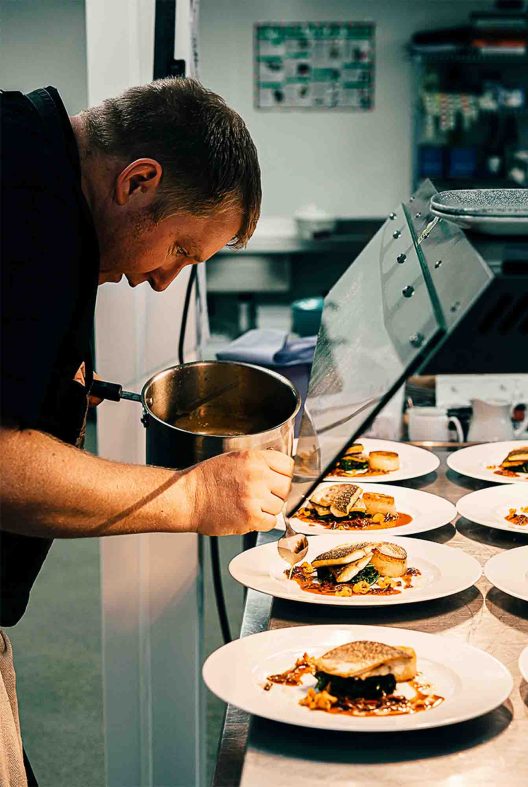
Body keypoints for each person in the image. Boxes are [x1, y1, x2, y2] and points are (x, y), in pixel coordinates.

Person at [1, 79, 291, 787]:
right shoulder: (28, 210)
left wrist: (57, 395)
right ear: (138, 181)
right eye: (181, 247)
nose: (164, 280)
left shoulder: (29, 154)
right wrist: (193, 498)